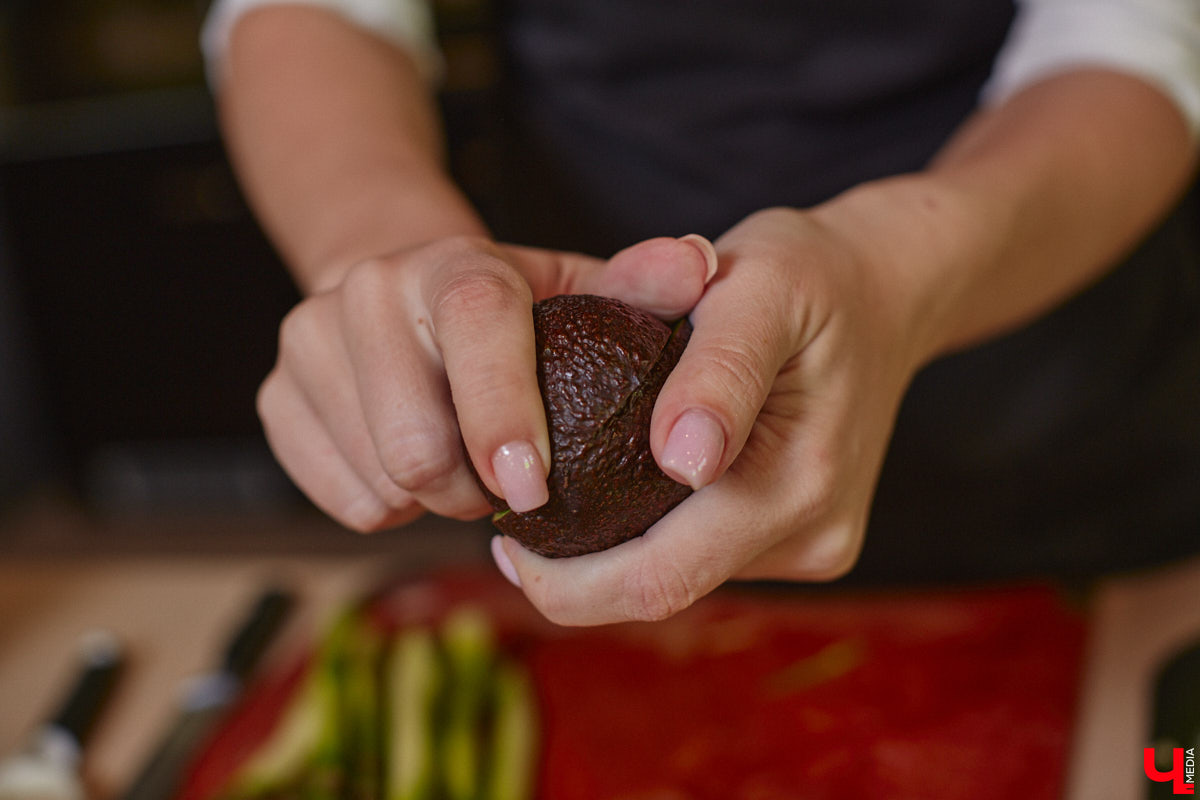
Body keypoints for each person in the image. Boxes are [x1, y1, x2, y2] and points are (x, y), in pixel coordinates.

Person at [201, 0, 1200, 626]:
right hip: (581, 447)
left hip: (1048, 394)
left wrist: (897, 271)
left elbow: (1131, 39)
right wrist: (383, 249)